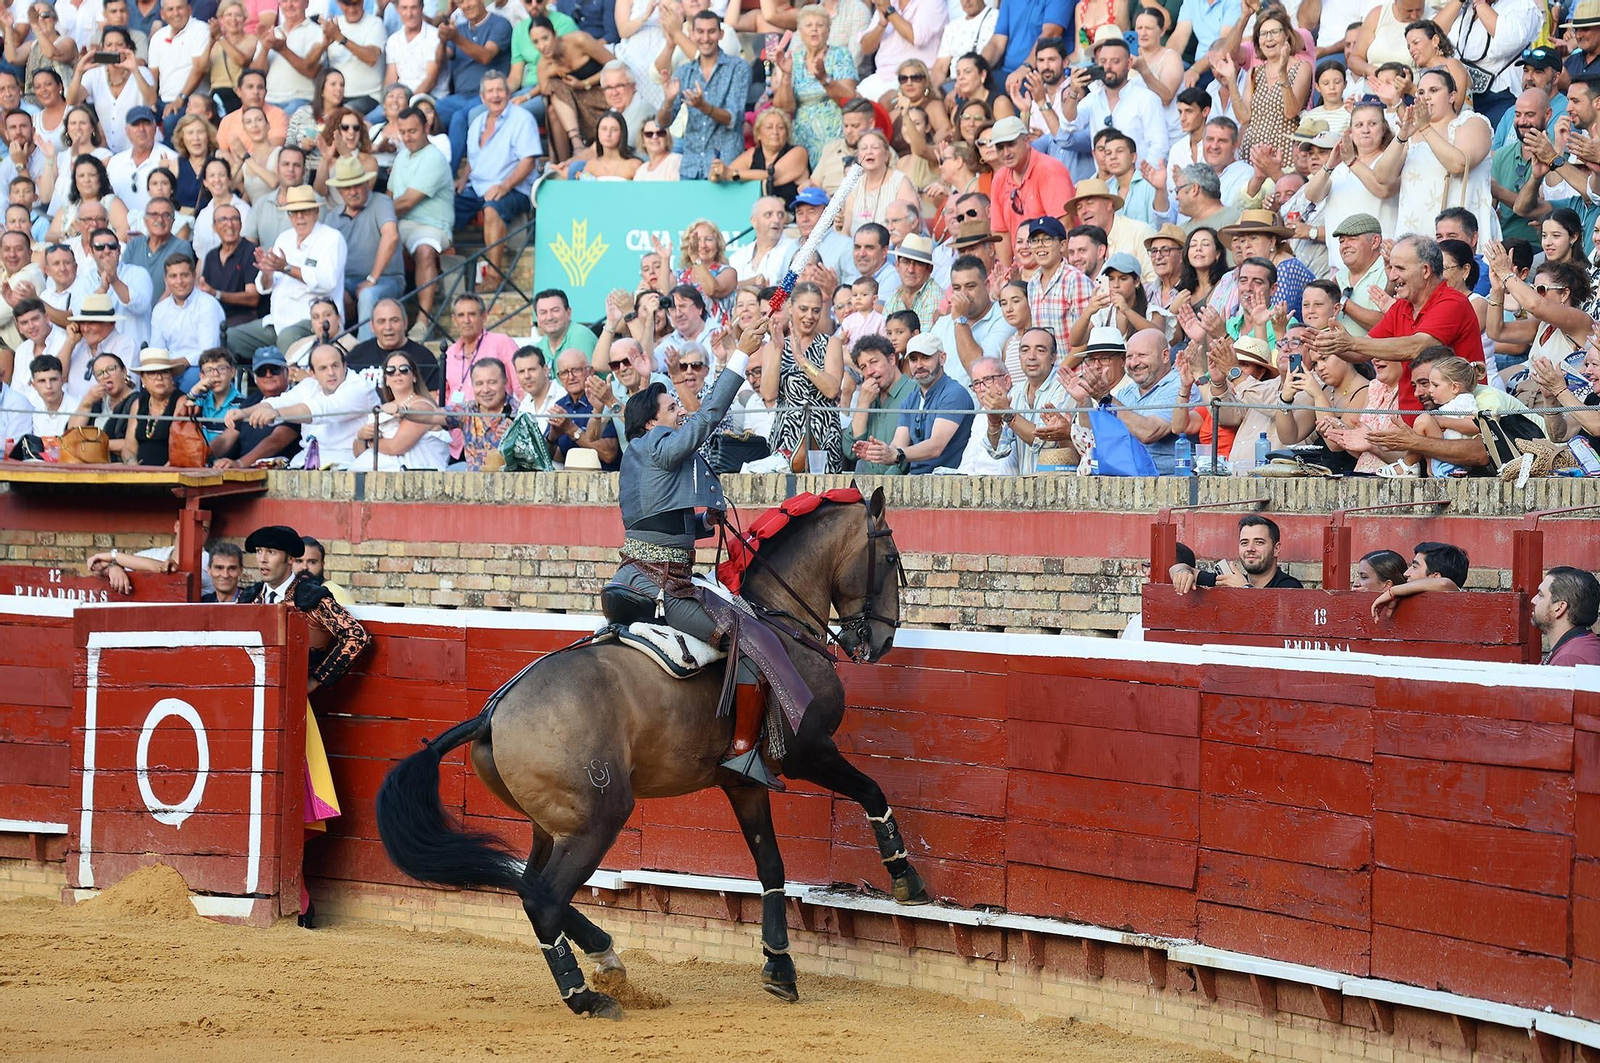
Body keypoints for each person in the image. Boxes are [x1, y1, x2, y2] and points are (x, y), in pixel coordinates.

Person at [613, 315, 809, 789]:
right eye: (671, 407)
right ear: (651, 422)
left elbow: (661, 523)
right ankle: (742, 751)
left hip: (636, 578)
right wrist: (740, 354)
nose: (680, 412)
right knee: (750, 641)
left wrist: (704, 522)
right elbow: (706, 419)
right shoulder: (656, 442)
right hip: (663, 587)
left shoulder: (641, 458)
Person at [235, 522, 370, 926]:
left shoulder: (311, 596)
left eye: (272, 552)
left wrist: (316, 680)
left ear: (290, 559)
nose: (263, 559)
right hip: (252, 712)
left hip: (293, 714)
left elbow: (356, 636)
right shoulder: (249, 598)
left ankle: (301, 901)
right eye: (259, 552)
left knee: (291, 802)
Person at [227, 185, 346, 363]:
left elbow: (328, 282)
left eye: (304, 212)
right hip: (277, 321)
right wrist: (266, 272)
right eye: (294, 213)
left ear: (315, 212)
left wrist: (287, 268)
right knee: (230, 337)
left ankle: (290, 379)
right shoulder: (284, 238)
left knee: (287, 337)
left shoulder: (331, 238)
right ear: (289, 216)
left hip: (313, 323)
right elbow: (264, 287)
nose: (299, 217)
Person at [229, 342, 380, 468]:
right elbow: (278, 401)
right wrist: (244, 413)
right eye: (323, 368)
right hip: (304, 464)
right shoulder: (309, 385)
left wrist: (278, 413)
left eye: (335, 366)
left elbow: (320, 409)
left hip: (346, 466)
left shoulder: (359, 387)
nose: (331, 372)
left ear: (344, 366)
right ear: (312, 373)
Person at [456, 72, 540, 291]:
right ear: (482, 97)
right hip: (477, 187)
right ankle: (449, 274)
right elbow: (473, 160)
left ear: (508, 93)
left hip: (514, 188)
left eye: (500, 90)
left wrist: (504, 186)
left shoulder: (522, 119)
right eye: (490, 91)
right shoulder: (477, 123)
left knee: (492, 208)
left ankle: (493, 276)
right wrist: (462, 179)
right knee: (445, 208)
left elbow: (528, 161)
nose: (495, 96)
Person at [852, 332, 974, 473]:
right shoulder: (911, 399)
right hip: (915, 479)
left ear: (942, 358)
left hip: (949, 480)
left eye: (926, 358)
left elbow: (936, 446)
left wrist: (896, 454)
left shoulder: (954, 393)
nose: (919, 365)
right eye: (913, 359)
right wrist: (879, 452)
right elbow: (898, 444)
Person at [760, 281, 844, 471]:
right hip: (786, 433)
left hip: (823, 433)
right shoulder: (773, 345)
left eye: (816, 310)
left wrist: (802, 360)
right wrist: (778, 350)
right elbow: (768, 395)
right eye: (803, 309)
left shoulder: (831, 343)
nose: (809, 316)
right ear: (790, 307)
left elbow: (832, 389)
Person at [656, 9, 747, 180]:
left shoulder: (738, 68)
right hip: (691, 167)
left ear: (721, 34)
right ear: (691, 35)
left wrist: (703, 107)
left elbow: (733, 119)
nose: (705, 38)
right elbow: (662, 123)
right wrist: (668, 102)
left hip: (725, 165)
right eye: (700, 31)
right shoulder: (684, 72)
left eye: (711, 31)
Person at [322, 155, 403, 339]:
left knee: (367, 295)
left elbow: (391, 236)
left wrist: (372, 278)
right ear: (339, 191)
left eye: (357, 185)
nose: (352, 192)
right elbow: (326, 259)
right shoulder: (332, 217)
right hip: (345, 282)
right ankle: (328, 350)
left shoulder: (381, 202)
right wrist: (340, 289)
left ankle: (364, 354)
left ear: (366, 184)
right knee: (320, 295)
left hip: (385, 279)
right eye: (346, 187)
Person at [987, 116, 1074, 263]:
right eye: (1000, 147)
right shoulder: (999, 178)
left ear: (1027, 141)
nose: (1006, 152)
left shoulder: (1049, 170)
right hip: (1022, 266)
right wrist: (1008, 271)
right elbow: (1001, 233)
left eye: (1011, 144)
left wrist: (1058, 271)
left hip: (1052, 265)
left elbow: (1064, 226)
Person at [352, 348, 451, 470]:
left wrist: (369, 442)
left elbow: (396, 447)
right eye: (390, 370)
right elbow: (358, 454)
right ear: (386, 380)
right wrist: (361, 437)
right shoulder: (384, 408)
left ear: (414, 376)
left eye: (404, 369)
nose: (397, 373)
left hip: (416, 475)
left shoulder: (423, 405)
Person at [1169, 515, 1305, 592]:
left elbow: (1271, 619)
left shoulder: (1289, 586)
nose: (1250, 548)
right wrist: (1182, 572)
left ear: (1276, 549)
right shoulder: (1231, 581)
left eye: (1259, 542)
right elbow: (1177, 568)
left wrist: (1243, 589)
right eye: (1244, 543)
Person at [348, 297, 442, 394]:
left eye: (394, 320)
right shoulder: (357, 355)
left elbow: (433, 397)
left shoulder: (424, 357)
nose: (388, 327)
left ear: (405, 323)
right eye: (381, 321)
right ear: (372, 326)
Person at [121, 348, 185, 465]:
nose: (159, 377)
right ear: (143, 380)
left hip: (170, 472)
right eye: (152, 373)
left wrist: (159, 474)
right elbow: (128, 448)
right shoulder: (138, 404)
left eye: (164, 372)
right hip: (139, 472)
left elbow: (181, 449)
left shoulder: (181, 402)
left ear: (171, 376)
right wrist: (134, 468)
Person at [1533, 567, 1600, 666]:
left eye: (1540, 595)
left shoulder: (1571, 658)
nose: (1533, 600)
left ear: (1559, 608)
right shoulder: (1577, 648)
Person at [294, 535, 355, 606]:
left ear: (322, 564)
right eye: (299, 561)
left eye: (312, 562)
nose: (304, 567)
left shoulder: (336, 594)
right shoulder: (287, 593)